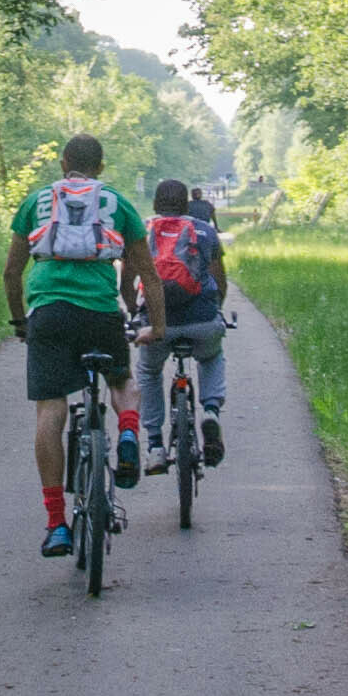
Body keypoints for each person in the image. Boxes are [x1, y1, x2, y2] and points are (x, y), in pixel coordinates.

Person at [3, 132, 154, 557]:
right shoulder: (118, 203)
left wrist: (20, 322)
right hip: (101, 314)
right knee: (120, 380)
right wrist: (154, 325)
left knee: (52, 409)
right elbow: (148, 274)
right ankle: (126, 434)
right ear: (101, 167)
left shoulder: (36, 202)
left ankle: (56, 524)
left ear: (63, 161)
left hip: (49, 313)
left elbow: (11, 272)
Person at [133, 177, 230, 481]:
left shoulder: (142, 229)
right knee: (211, 357)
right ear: (188, 204)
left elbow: (127, 280)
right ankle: (211, 410)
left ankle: (154, 446)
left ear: (154, 204)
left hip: (157, 324)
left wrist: (136, 313)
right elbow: (219, 278)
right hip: (202, 318)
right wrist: (217, 310)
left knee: (149, 372)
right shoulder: (204, 230)